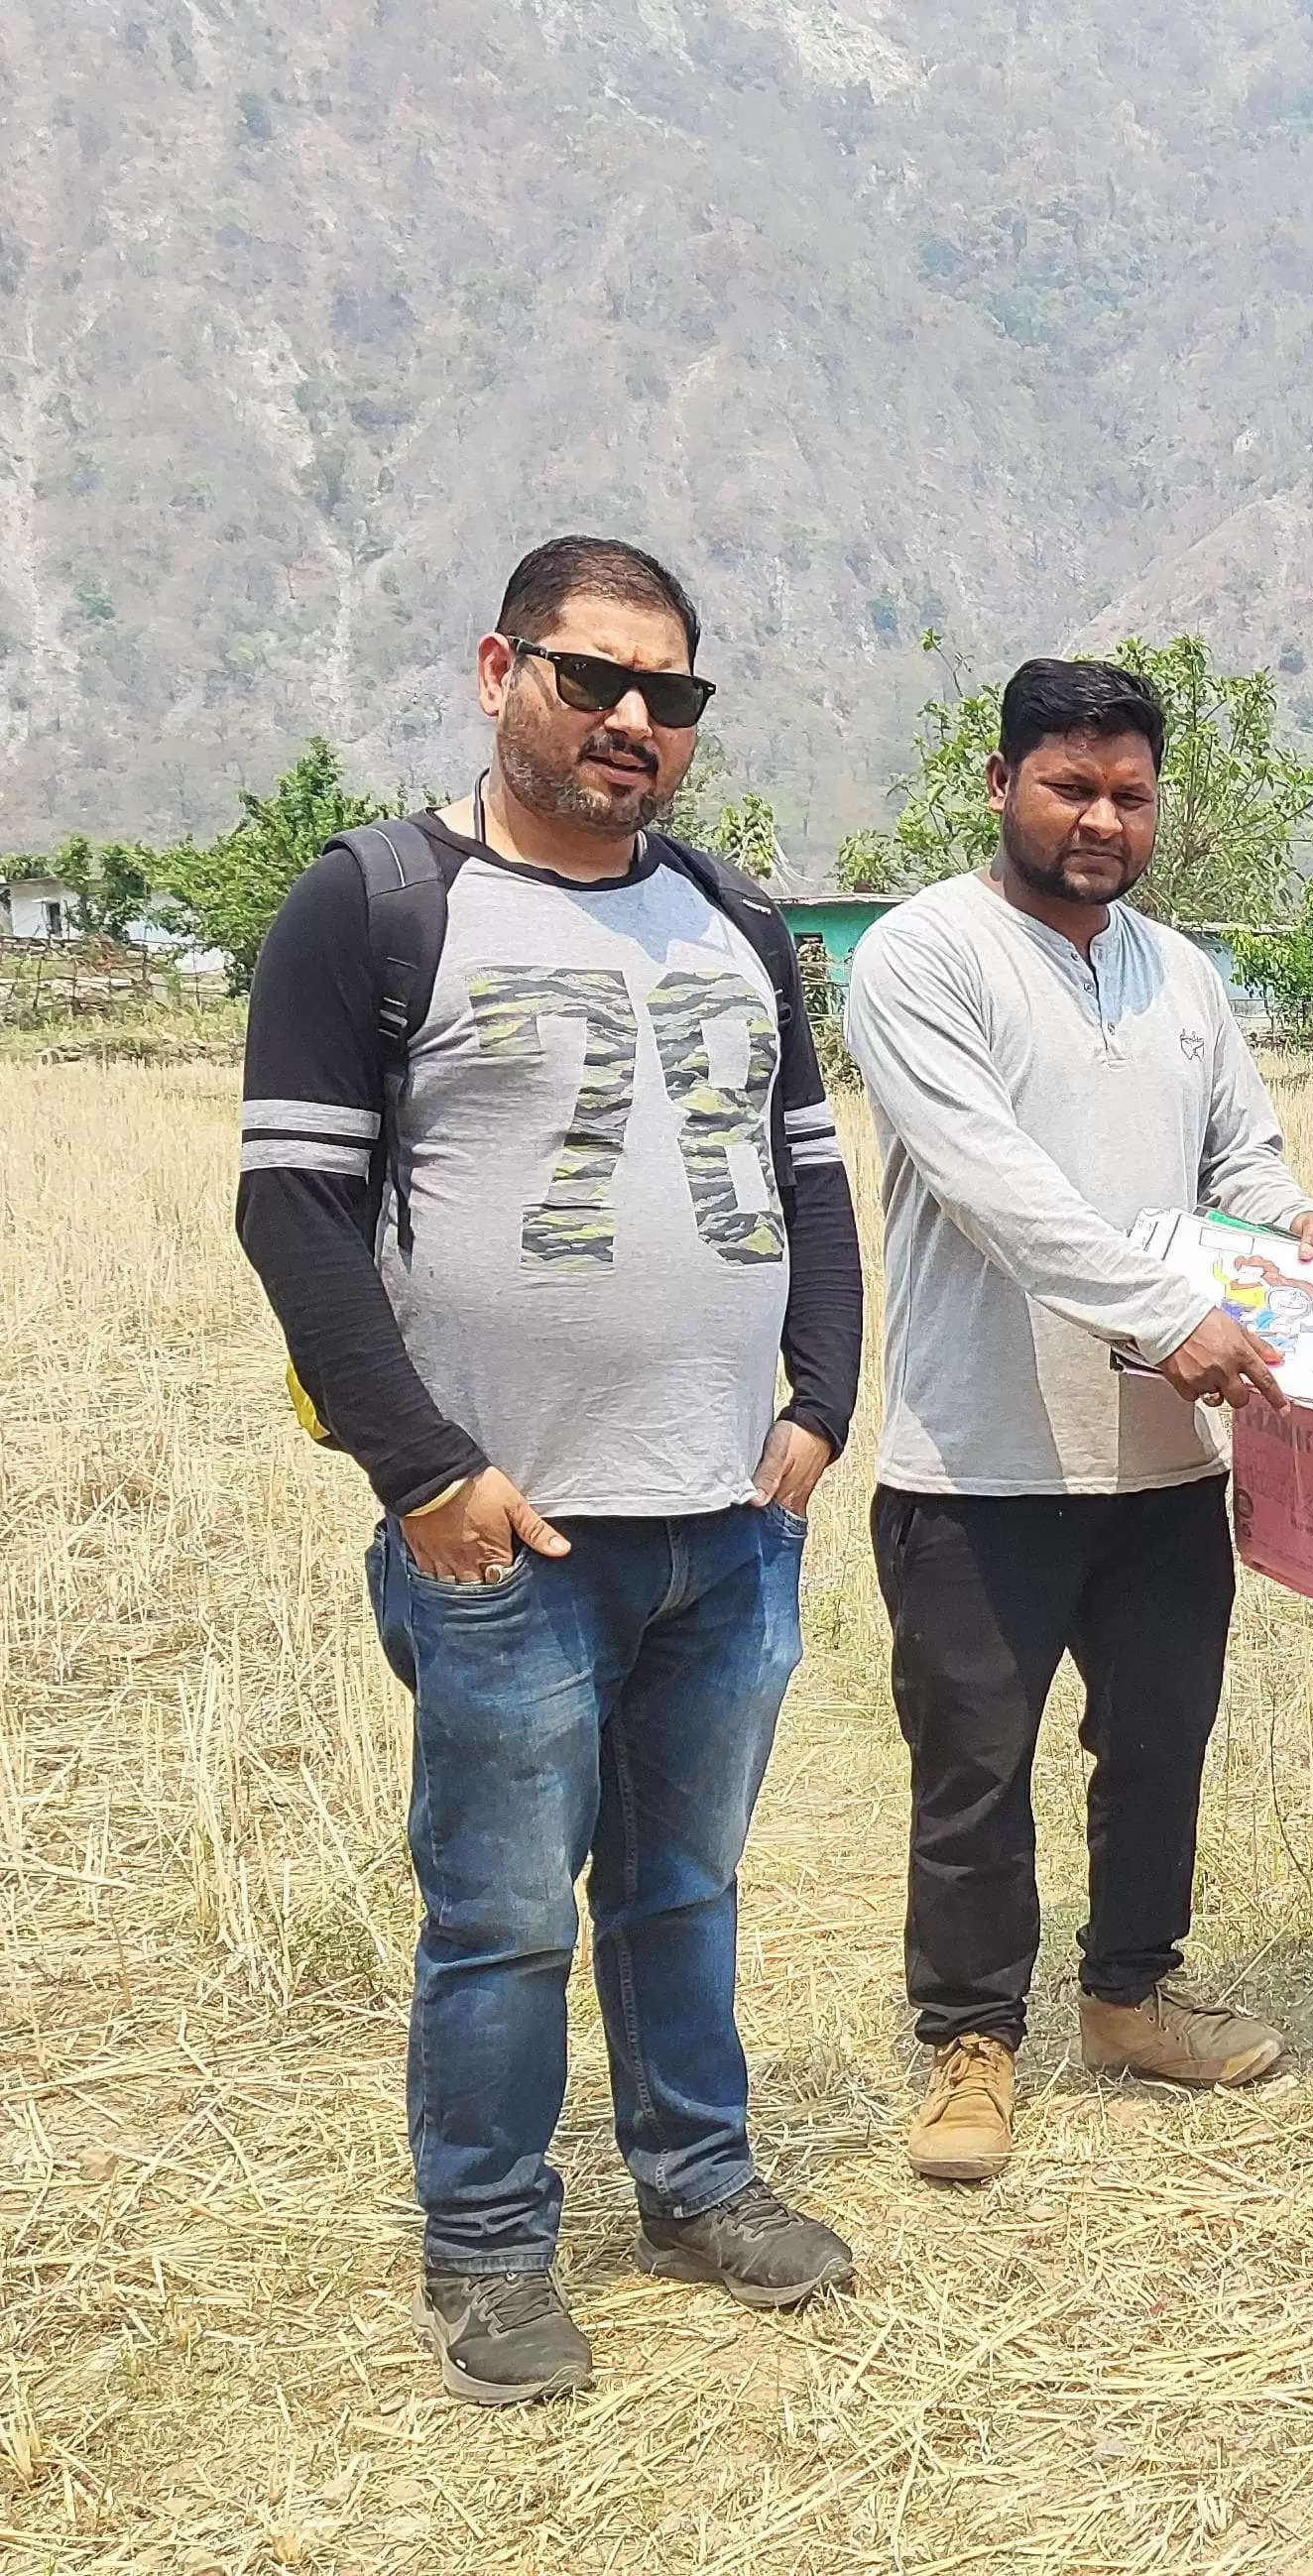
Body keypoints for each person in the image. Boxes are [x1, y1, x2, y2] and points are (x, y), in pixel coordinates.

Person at [235, 535, 862, 2404]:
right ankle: (490, 2244)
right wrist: (423, 1471)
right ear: (499, 666)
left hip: (725, 1526)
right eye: (592, 681)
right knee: (502, 1908)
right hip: (506, 1531)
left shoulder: (737, 920)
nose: (630, 725)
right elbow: (293, 1216)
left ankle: (695, 2178)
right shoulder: (375, 902)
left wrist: (817, 1406)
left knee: (684, 1881)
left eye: (668, 696)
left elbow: (814, 1182)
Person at [842, 657, 1313, 2184]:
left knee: (1158, 1744)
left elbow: (1239, 1152)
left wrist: (1301, 1232)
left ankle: (1128, 1995)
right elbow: (1002, 1191)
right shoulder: (922, 958)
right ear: (999, 786)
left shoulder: (1181, 974)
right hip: (977, 1454)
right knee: (973, 1770)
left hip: (1162, 1464)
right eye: (1070, 785)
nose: (1102, 817)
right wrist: (1163, 1315)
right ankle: (971, 2044)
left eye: (1130, 791)